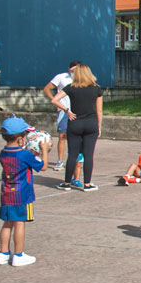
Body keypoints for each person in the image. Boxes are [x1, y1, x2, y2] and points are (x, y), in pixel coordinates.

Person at [0, 117, 44, 267]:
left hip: (6, 193)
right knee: (20, 223)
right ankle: (18, 254)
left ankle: (3, 254)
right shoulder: (24, 155)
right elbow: (42, 166)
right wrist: (44, 150)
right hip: (22, 194)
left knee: (7, 223)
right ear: (20, 138)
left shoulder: (3, 153)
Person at [51, 63, 103, 192]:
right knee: (88, 155)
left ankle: (67, 183)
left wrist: (67, 110)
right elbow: (99, 111)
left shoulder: (71, 88)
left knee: (72, 154)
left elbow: (54, 100)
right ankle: (87, 184)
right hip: (91, 123)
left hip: (75, 123)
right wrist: (99, 126)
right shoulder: (96, 89)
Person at [42, 60, 78, 170]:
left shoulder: (81, 79)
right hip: (64, 111)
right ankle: (60, 160)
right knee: (62, 136)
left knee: (75, 137)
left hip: (77, 110)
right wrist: (55, 101)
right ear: (69, 69)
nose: (75, 71)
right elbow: (47, 89)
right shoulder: (61, 77)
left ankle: (73, 160)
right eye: (73, 69)